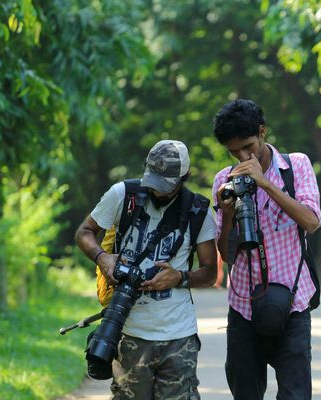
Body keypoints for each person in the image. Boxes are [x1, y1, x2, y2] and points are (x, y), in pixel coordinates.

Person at [75, 139, 218, 399]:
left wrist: (179, 277)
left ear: (184, 177)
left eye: (166, 186)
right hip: (128, 331)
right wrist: (102, 258)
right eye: (154, 182)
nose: (158, 192)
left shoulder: (199, 212)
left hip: (179, 336)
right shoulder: (122, 194)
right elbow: (84, 232)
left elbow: (210, 273)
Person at [212, 99, 321, 400]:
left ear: (262, 132)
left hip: (293, 304)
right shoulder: (224, 181)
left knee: (296, 395)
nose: (242, 156)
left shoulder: (296, 166)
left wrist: (265, 184)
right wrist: (229, 214)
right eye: (233, 151)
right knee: (245, 393)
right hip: (244, 307)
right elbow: (227, 255)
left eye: (248, 146)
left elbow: (311, 221)